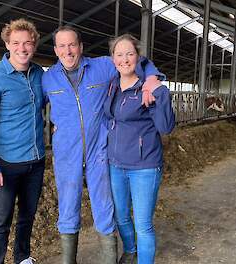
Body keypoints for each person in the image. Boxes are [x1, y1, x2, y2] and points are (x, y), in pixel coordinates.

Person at [41, 26, 163, 264]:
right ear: (56, 50)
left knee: (104, 206)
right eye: (62, 46)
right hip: (66, 154)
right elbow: (32, 107)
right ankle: (69, 260)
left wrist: (151, 79)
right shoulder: (47, 78)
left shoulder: (102, 67)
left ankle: (109, 259)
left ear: (81, 47)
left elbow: (141, 60)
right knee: (67, 205)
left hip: (99, 152)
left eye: (72, 45)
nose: (68, 51)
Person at [0, 18, 45, 264]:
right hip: (5, 164)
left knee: (28, 215)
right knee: (1, 219)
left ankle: (22, 257)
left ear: (34, 45)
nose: (22, 48)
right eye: (16, 43)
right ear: (7, 44)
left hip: (36, 161)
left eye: (27, 43)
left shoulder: (39, 74)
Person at [104, 34, 175, 264]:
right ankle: (131, 249)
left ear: (138, 57)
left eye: (130, 54)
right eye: (119, 54)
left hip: (144, 166)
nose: (125, 59)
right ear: (112, 58)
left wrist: (159, 91)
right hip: (115, 164)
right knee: (121, 216)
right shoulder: (112, 84)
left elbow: (165, 127)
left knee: (143, 224)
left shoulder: (147, 87)